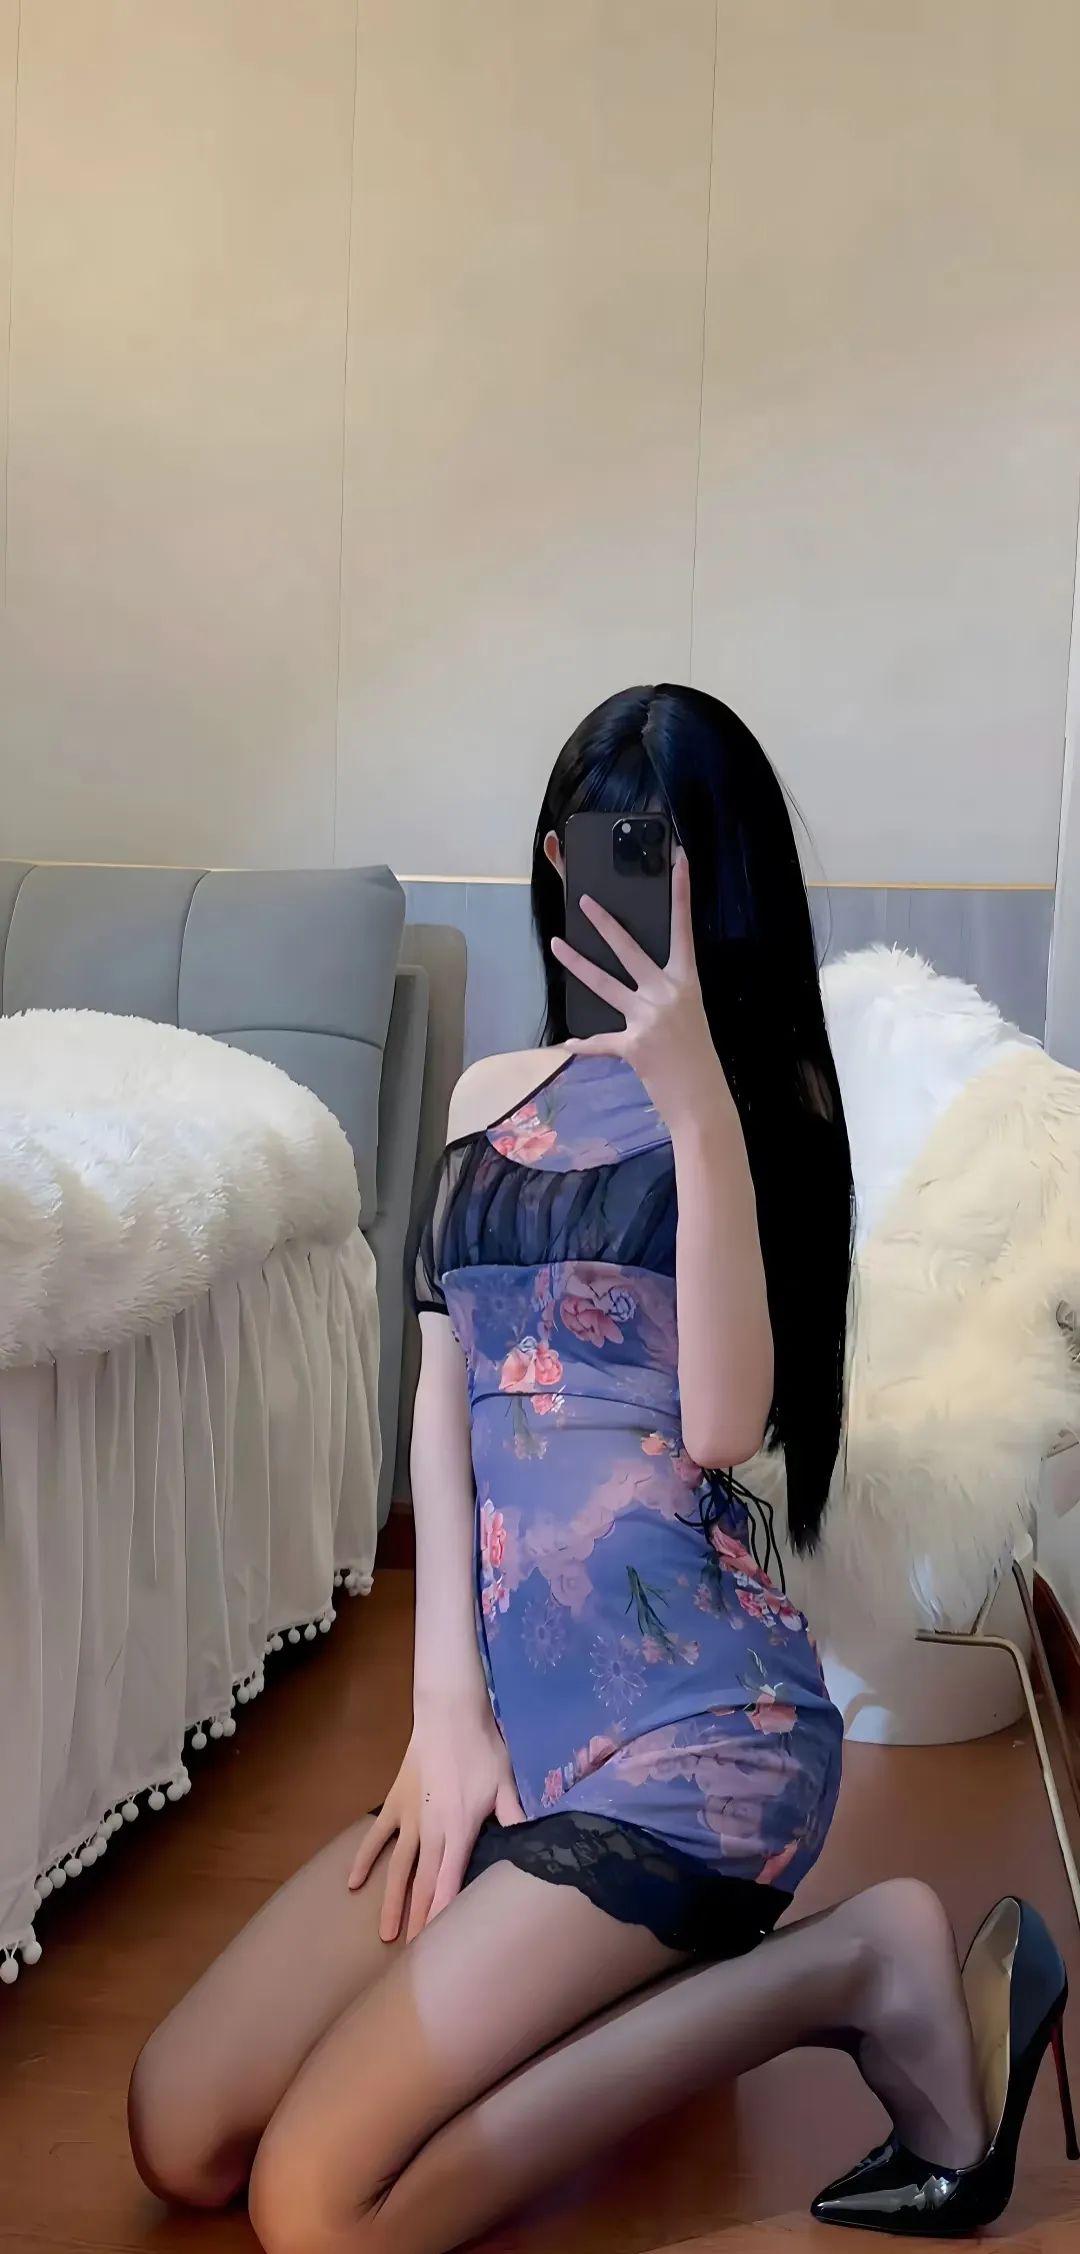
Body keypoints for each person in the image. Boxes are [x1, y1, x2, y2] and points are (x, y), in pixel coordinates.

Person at [129, 686, 1069, 2247]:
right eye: (584, 840)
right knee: (180, 2123)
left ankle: (854, 1965)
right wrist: (444, 1710)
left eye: (652, 853)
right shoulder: (488, 1100)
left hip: (706, 1740)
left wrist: (695, 1096)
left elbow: (723, 1423)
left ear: (719, 885)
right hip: (516, 1743)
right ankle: (627, 1965)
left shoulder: (769, 1111)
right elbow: (441, 1405)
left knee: (317, 2206)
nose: (600, 882)